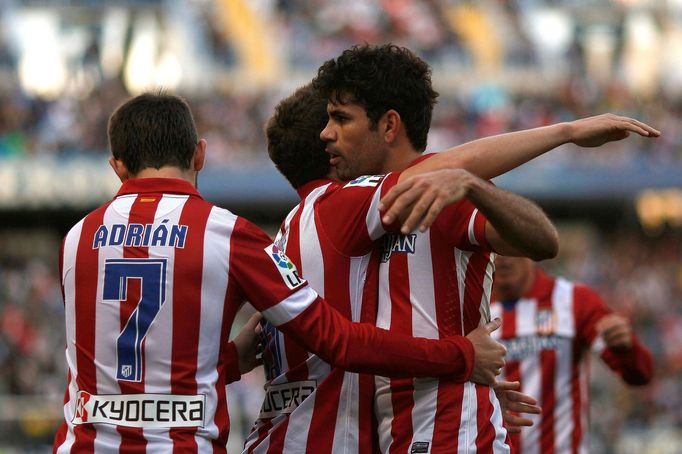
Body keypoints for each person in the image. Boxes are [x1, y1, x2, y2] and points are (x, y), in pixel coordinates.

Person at [250, 43, 659, 454]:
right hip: (400, 428)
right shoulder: (359, 210)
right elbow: (353, 340)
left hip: (450, 429)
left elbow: (543, 242)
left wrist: (475, 185)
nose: (328, 135)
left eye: (340, 118)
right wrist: (462, 358)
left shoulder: (443, 194)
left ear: (388, 126)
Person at [52, 92, 508, 454]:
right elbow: (340, 342)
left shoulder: (74, 240)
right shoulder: (228, 234)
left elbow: (143, 376)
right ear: (200, 154)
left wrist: (233, 357)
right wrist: (461, 355)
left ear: (116, 165)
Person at [490, 256, 654, 453]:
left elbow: (640, 374)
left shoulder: (572, 300)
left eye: (511, 246)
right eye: (494, 249)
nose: (503, 258)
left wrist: (626, 348)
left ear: (529, 246)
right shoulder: (471, 309)